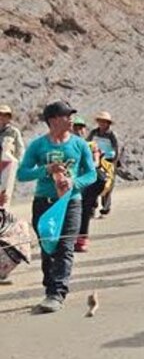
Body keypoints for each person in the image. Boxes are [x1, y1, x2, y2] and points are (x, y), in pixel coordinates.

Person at [16, 101, 97, 313]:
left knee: (64, 246)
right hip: (44, 202)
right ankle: (49, 286)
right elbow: (22, 173)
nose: (71, 119)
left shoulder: (79, 144)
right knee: (48, 246)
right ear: (52, 120)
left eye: (71, 115)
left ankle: (57, 293)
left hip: (71, 202)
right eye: (65, 115)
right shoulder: (38, 145)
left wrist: (74, 183)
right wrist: (45, 170)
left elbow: (92, 174)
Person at [71, 117, 107, 253]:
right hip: (74, 182)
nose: (78, 131)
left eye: (81, 128)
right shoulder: (66, 146)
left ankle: (81, 240)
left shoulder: (91, 145)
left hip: (89, 183)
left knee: (84, 209)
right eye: (75, 128)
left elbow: (96, 162)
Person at [87, 112, 120, 218]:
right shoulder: (94, 133)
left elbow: (117, 149)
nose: (102, 123)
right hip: (96, 160)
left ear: (108, 123)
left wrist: (114, 164)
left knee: (107, 185)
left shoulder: (111, 135)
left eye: (104, 121)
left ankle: (105, 209)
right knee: (93, 185)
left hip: (108, 161)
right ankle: (92, 209)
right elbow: (87, 143)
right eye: (100, 121)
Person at [0, 104, 25, 208]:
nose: (2, 117)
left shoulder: (13, 132)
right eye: (0, 114)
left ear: (9, 117)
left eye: (5, 115)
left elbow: (20, 149)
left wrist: (17, 164)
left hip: (7, 167)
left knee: (4, 195)